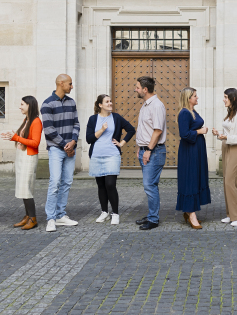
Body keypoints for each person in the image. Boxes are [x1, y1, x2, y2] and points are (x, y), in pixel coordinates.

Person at [85, 94, 135, 226]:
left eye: (111, 101)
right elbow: (89, 139)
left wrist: (122, 143)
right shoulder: (93, 119)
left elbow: (131, 129)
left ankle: (115, 214)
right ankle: (104, 212)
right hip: (96, 155)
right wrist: (101, 130)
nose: (110, 103)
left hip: (112, 155)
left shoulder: (116, 117)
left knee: (110, 184)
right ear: (100, 105)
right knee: (101, 186)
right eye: (107, 102)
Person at [41, 74, 80, 233]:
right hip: (57, 149)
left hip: (70, 148)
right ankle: (51, 218)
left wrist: (74, 141)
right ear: (61, 83)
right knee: (55, 182)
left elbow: (76, 123)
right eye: (70, 84)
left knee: (67, 182)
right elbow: (49, 130)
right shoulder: (47, 104)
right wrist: (66, 145)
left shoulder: (72, 102)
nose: (72, 87)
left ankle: (60, 215)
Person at [2, 96, 43, 230]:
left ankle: (33, 218)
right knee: (22, 187)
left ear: (29, 106)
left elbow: (35, 143)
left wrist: (16, 137)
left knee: (26, 188)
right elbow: (24, 138)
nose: (20, 107)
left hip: (29, 157)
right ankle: (27, 216)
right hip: (22, 156)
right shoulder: (27, 120)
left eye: (22, 104)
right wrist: (13, 135)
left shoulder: (36, 121)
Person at [134, 76, 167, 231]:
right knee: (150, 186)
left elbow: (157, 130)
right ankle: (151, 214)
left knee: (149, 185)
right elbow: (145, 129)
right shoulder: (146, 105)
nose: (136, 89)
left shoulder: (156, 106)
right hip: (146, 151)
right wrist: (140, 147)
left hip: (154, 152)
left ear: (145, 89)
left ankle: (153, 219)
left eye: (137, 87)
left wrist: (147, 150)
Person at [212, 88, 237, 226]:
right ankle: (230, 214)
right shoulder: (231, 113)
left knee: (230, 182)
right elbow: (229, 131)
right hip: (226, 147)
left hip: (235, 148)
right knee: (226, 181)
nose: (223, 99)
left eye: (226, 97)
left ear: (233, 98)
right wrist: (219, 133)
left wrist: (226, 136)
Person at [176, 87, 211, 229]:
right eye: (195, 96)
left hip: (196, 149)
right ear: (188, 98)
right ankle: (191, 213)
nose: (197, 98)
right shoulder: (184, 113)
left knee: (196, 178)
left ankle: (188, 210)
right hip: (189, 151)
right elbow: (184, 134)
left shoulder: (192, 111)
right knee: (190, 179)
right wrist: (200, 131)